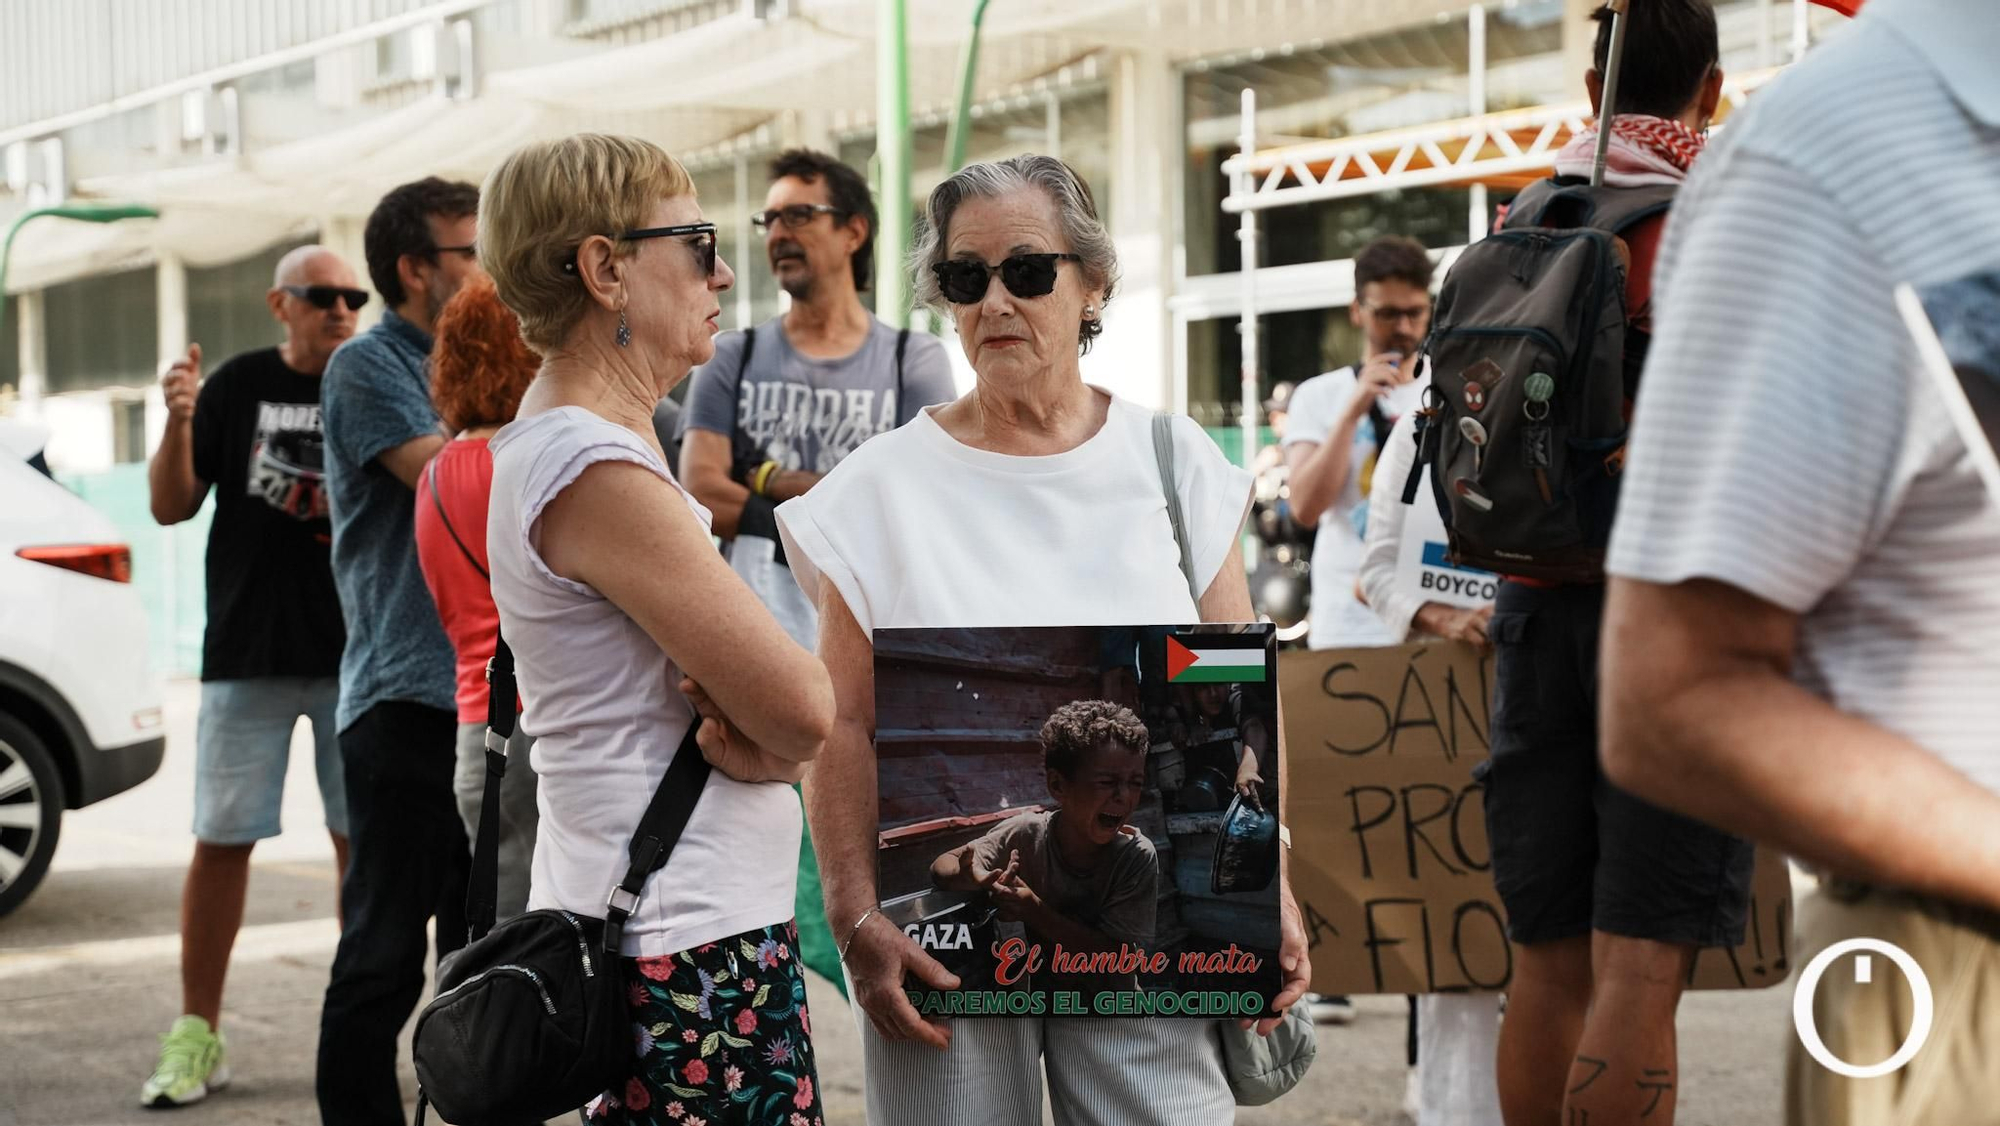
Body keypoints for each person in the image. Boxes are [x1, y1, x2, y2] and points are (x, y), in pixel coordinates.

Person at [775, 153, 1310, 1126]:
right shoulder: (876, 490)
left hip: (1149, 930)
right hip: (941, 949)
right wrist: (854, 915)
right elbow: (841, 723)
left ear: (1091, 282)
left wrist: (1265, 877)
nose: (994, 302)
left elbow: (1240, 689)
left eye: (1026, 271)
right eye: (964, 277)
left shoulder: (1170, 461)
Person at [1597, 2, 2000, 1124]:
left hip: (1529, 634)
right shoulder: (1820, 158)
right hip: (1959, 960)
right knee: (1625, 960)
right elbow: (1670, 697)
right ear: (1707, 91)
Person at [478, 133, 836, 1124]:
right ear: (606, 270)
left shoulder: (579, 444)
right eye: (698, 243)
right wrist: (782, 740)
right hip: (685, 948)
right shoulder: (594, 466)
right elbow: (803, 706)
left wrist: (773, 747)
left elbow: (773, 723)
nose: (723, 273)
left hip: (663, 925)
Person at [1477, 7, 1740, 1126]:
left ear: (1591, 89)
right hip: (1665, 622)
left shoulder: (1524, 216)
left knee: (1544, 959)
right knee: (1639, 963)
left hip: (1530, 608)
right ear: (1711, 90)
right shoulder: (1715, 222)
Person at [139, 245, 360, 1109]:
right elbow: (169, 505)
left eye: (354, 296)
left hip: (357, 655)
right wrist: (179, 421)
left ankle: (356, 1033)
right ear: (281, 304)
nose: (342, 309)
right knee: (222, 840)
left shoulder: (369, 380)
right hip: (248, 651)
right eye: (323, 295)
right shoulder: (235, 386)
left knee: (360, 849)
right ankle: (197, 1032)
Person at [315, 175, 484, 1126]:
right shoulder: (367, 365)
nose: (488, 269)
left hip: (485, 707)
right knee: (382, 954)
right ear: (416, 269)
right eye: (470, 251)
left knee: (480, 956)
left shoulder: (491, 360)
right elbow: (446, 474)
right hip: (402, 704)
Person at [678, 148, 956, 650]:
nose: (778, 233)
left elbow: (921, 505)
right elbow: (702, 492)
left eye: (799, 215)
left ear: (854, 232)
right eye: (770, 220)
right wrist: (851, 498)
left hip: (870, 633)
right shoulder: (730, 355)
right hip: (755, 635)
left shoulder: (913, 360)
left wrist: (767, 480)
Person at [1359, 408, 1503, 1126]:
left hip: (1569, 697)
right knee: (1460, 954)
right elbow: (1375, 573)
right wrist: (1446, 620)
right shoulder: (1421, 427)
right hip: (1450, 717)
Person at [413, 275, 541, 920]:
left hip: (478, 730)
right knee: (548, 941)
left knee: (502, 930)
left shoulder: (434, 473)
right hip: (538, 726)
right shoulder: (527, 463)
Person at [931, 699, 1160, 994]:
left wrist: (1034, 911)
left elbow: (1117, 960)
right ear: (1058, 785)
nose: (1124, 796)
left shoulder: (1136, 856)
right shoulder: (1027, 834)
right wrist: (970, 875)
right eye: (1107, 782)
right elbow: (943, 865)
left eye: (1136, 783)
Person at [1282, 236, 1437, 651]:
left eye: (1415, 312)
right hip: (1348, 625)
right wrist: (1352, 412)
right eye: (1387, 314)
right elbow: (1305, 509)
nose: (1403, 327)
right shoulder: (1319, 395)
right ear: (1357, 311)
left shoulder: (1448, 390)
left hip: (1435, 613)